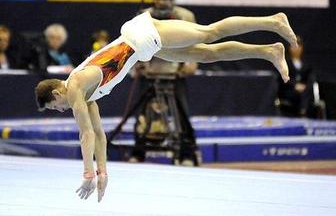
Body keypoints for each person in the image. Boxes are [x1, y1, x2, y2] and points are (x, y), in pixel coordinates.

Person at [34, 11, 297, 202]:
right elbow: (100, 135)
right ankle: (269, 51)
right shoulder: (86, 95)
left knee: (209, 32)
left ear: (57, 92)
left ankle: (273, 21)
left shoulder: (77, 85)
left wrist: (87, 174)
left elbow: (86, 134)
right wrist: (102, 172)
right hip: (142, 46)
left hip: (141, 37)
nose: (61, 110)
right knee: (208, 54)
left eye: (56, 106)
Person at [128, 0, 199, 166]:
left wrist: (192, 63)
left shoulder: (185, 16)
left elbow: (194, 41)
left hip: (175, 73)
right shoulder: (143, 15)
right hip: (150, 72)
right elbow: (133, 43)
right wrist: (134, 66)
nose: (162, 2)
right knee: (143, 116)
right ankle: (138, 152)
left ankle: (187, 154)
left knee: (182, 115)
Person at [278, 36, 315, 117]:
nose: (296, 48)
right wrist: (295, 85)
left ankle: (303, 111)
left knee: (306, 94)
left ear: (302, 48)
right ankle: (302, 113)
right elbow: (282, 78)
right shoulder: (285, 64)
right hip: (290, 91)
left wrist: (305, 87)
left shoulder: (307, 65)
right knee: (299, 96)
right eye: (293, 46)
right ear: (289, 48)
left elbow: (311, 80)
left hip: (305, 92)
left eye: (298, 46)